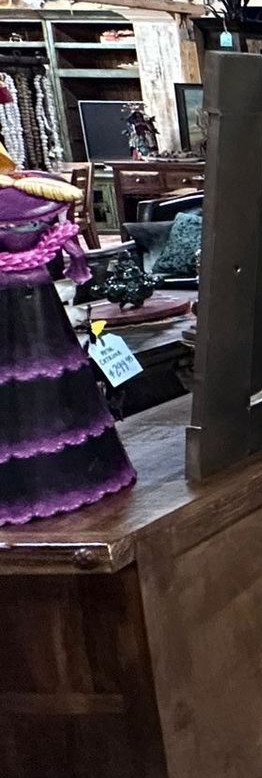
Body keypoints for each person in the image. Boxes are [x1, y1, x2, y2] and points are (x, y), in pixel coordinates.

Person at [0, 149, 136, 524]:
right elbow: (63, 262)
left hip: (39, 313)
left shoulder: (30, 195)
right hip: (31, 310)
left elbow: (62, 259)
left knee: (49, 388)